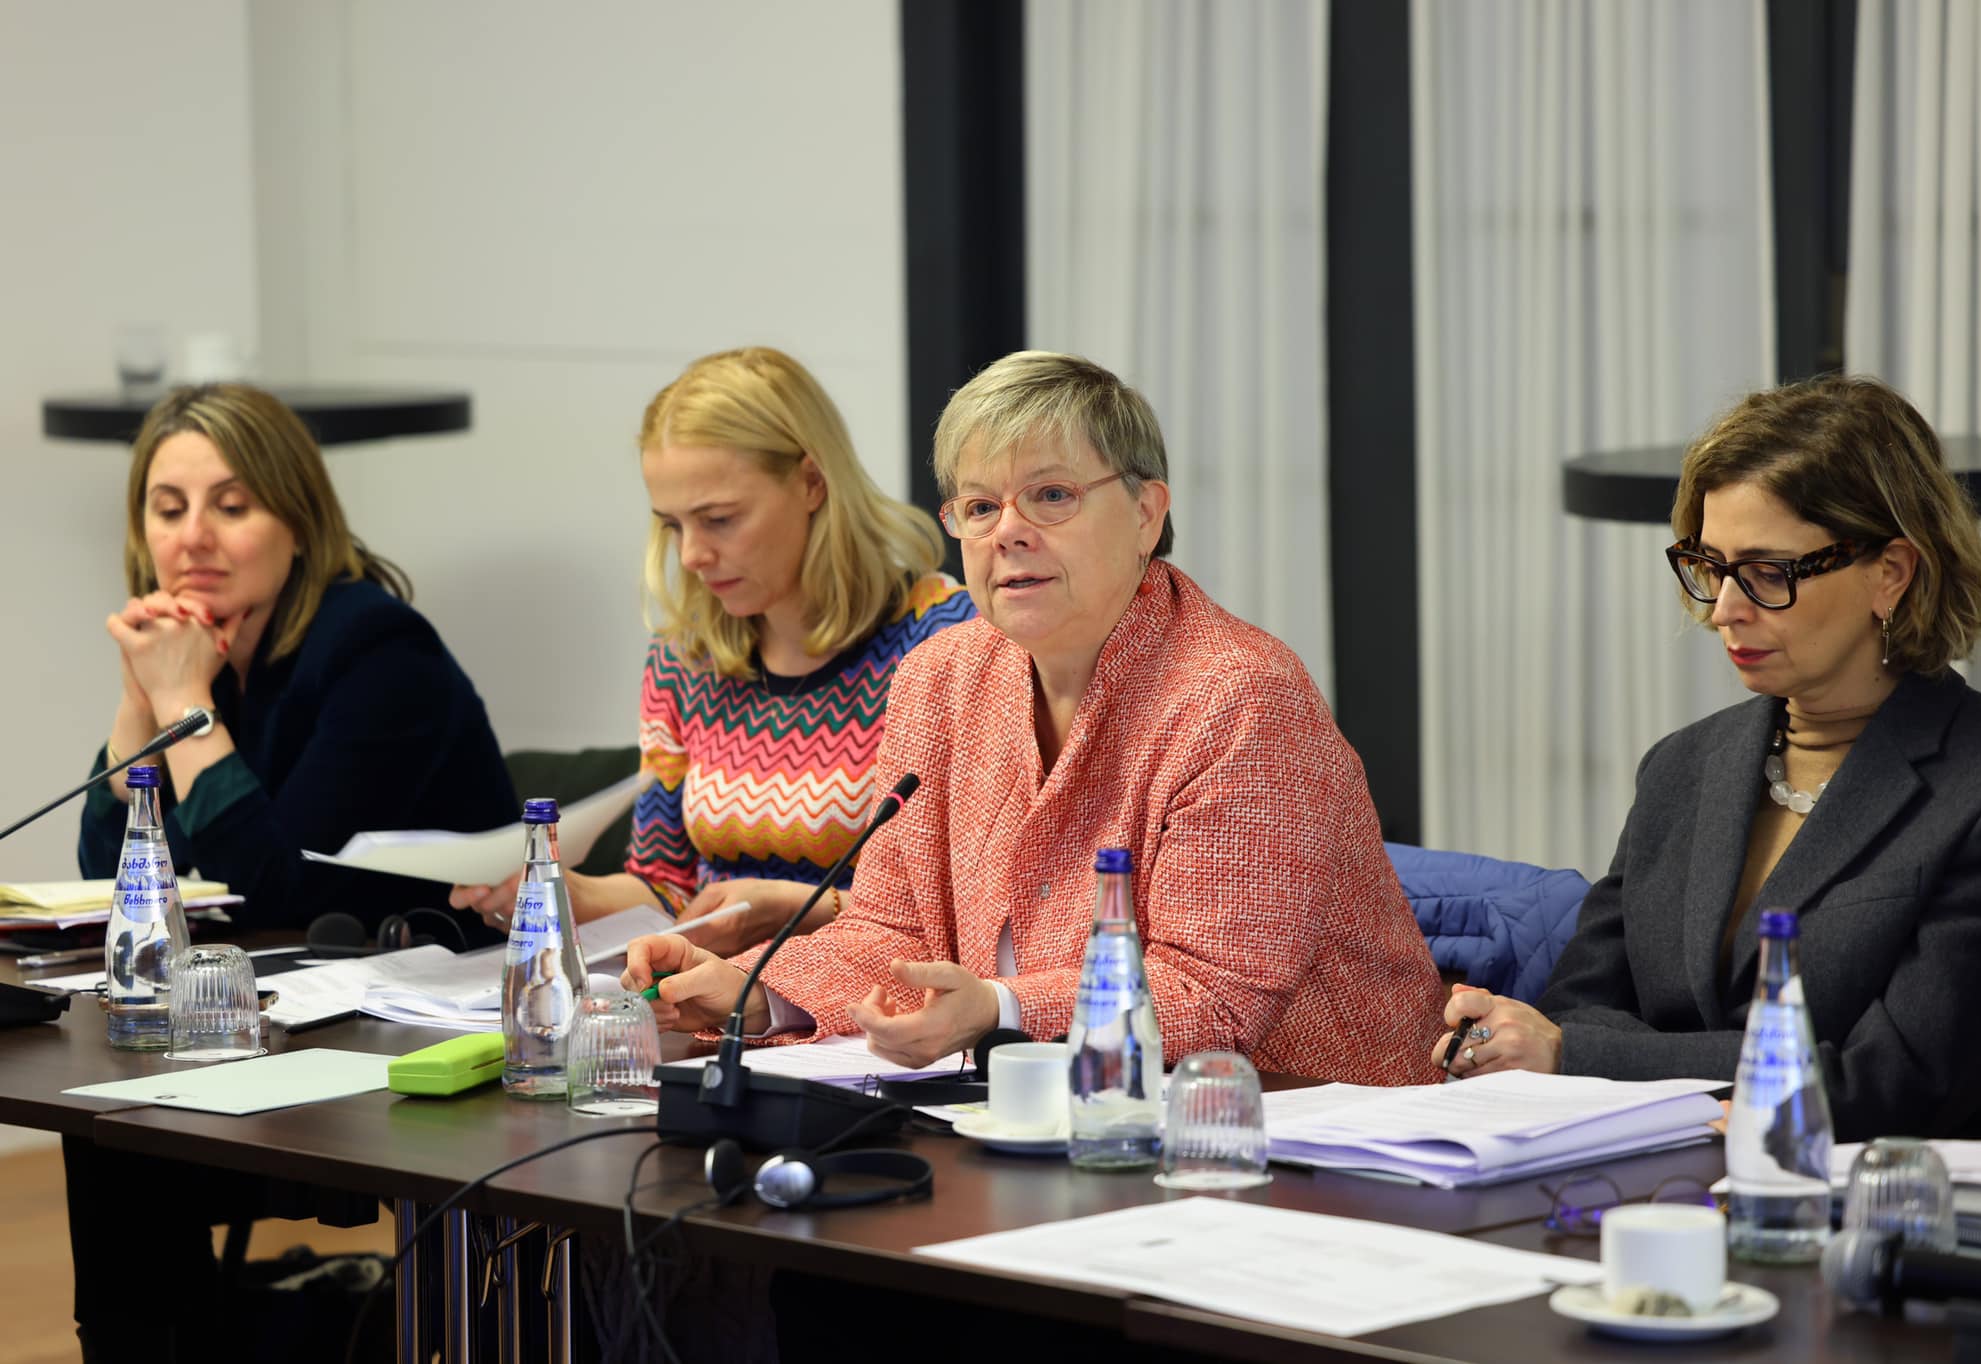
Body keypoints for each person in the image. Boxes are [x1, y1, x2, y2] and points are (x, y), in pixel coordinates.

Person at [624, 350, 1444, 1085]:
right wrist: (757, 991)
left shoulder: (1239, 699)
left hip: (1304, 1130)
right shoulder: (940, 679)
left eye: (1050, 496)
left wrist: (997, 1008)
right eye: (980, 507)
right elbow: (890, 931)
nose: (1008, 532)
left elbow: (1213, 1002)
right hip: (1056, 1118)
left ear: (1146, 513)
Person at [1437, 374, 1981, 1141]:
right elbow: (1578, 1005)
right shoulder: (1682, 765)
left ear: (1891, 573)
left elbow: (1895, 1079)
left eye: (1768, 573)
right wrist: (1564, 1044)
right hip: (1641, 1173)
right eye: (1711, 566)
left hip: (1850, 1195)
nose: (1725, 609)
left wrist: (1581, 1054)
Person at [452, 346, 974, 954]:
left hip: (872, 991)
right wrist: (563, 891)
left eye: (719, 519)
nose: (693, 555)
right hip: (718, 987)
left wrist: (806, 909)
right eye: (672, 525)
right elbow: (667, 886)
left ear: (812, 483)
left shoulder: (945, 637)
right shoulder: (686, 657)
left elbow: (978, 905)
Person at [77, 383, 514, 933]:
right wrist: (141, 700)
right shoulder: (201, 654)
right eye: (169, 510)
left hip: (436, 977)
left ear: (302, 525)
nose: (193, 537)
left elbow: (276, 893)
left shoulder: (381, 650)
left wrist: (182, 700)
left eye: (231, 507)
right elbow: (106, 883)